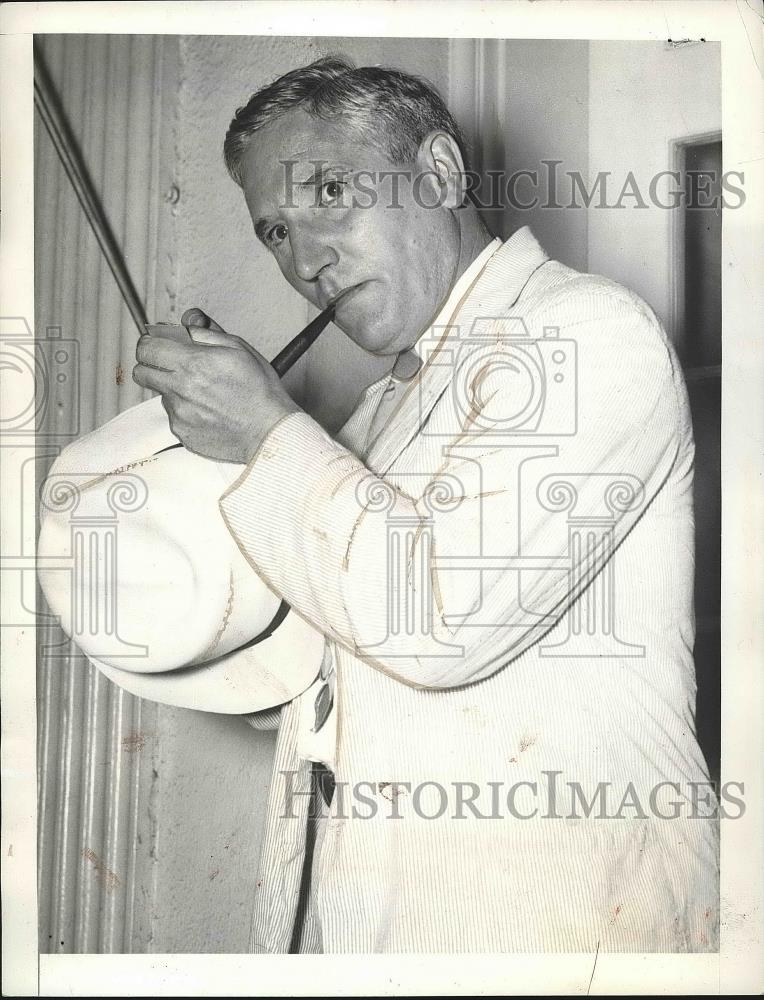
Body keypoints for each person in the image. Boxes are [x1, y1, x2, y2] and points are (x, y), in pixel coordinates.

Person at [132, 57, 719, 954]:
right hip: (380, 929)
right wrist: (188, 490)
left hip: (561, 934)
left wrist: (263, 430)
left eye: (331, 191)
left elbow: (435, 625)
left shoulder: (586, 332)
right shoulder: (378, 412)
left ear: (440, 172)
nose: (307, 258)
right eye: (277, 231)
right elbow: (310, 681)